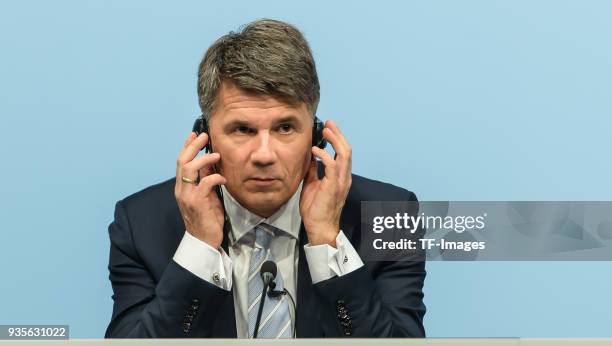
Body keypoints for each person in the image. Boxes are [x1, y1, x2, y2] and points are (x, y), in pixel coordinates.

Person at [105, 19, 426, 338]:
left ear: (316, 136)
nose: (264, 154)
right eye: (242, 130)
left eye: (285, 128)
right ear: (205, 137)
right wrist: (200, 249)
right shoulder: (140, 224)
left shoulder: (391, 215)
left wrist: (328, 242)